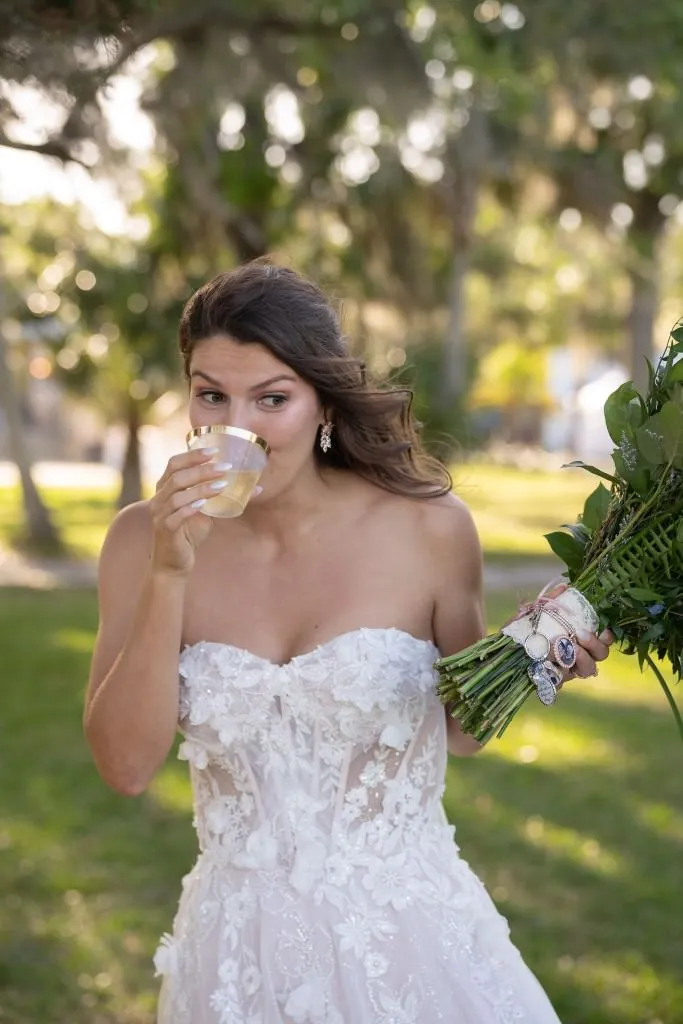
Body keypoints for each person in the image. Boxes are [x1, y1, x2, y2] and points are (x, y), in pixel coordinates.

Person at [84, 262, 613, 1024]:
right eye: (211, 394)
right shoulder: (140, 539)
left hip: (409, 944)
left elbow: (462, 730)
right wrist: (170, 573)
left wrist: (541, 654)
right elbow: (126, 767)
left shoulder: (428, 527)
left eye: (272, 398)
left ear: (323, 402)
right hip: (237, 960)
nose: (236, 425)